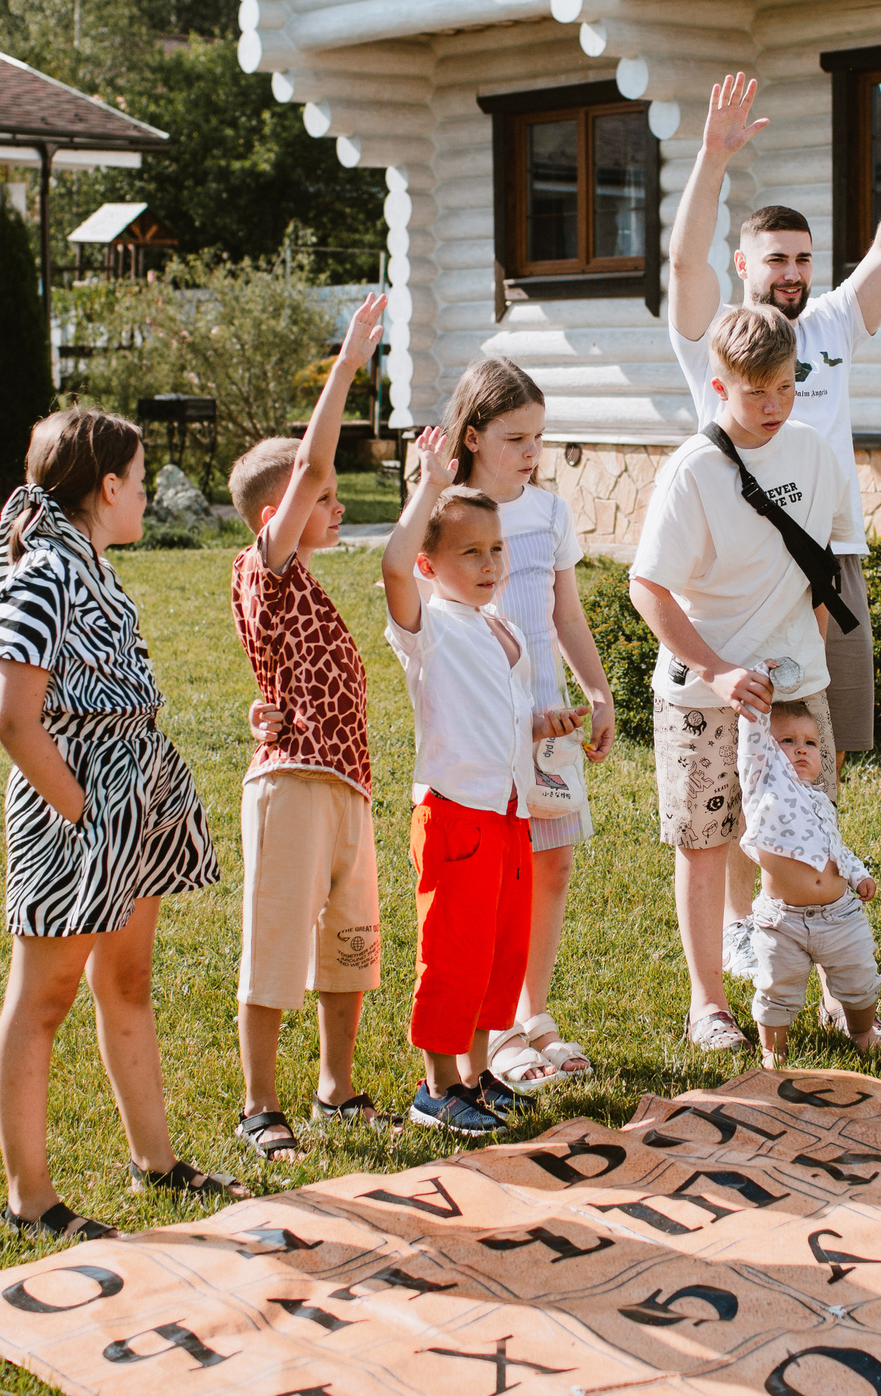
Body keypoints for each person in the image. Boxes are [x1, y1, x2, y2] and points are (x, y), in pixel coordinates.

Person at [0, 407, 242, 1240]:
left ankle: (156, 1161)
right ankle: (31, 1200)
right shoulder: (47, 572)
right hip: (77, 810)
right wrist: (85, 814)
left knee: (127, 983)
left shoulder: (87, 562)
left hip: (129, 799)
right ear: (107, 486)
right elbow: (14, 719)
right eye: (140, 476)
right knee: (43, 999)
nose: (145, 492)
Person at [663, 71, 881, 780]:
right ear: (743, 265)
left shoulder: (829, 325)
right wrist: (712, 156)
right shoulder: (712, 335)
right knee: (732, 739)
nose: (791, 274)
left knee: (823, 739)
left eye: (802, 259)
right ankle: (745, 886)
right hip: (736, 562)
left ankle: (803, 864)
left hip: (831, 553)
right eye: (776, 260)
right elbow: (681, 258)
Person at [630, 305, 853, 1052]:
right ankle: (709, 1005)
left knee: (808, 836)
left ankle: (832, 984)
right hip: (702, 696)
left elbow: (818, 573)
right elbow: (648, 589)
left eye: (786, 389)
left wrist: (806, 673)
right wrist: (719, 670)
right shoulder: (692, 471)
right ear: (720, 384)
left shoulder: (817, 454)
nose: (772, 408)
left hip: (793, 690)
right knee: (704, 843)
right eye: (757, 392)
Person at [226, 291, 392, 1162]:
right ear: (277, 516)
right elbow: (311, 461)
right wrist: (348, 364)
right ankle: (260, 1104)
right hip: (291, 782)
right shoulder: (268, 570)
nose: (334, 507)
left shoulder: (313, 587)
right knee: (277, 944)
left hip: (347, 789)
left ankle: (336, 1088)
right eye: (322, 498)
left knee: (348, 949)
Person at [383, 429, 579, 1136]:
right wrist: (428, 489)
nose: (490, 562)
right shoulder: (427, 625)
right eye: (471, 552)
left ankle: (474, 1074)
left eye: (496, 549)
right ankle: (436, 1087)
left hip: (508, 814)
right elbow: (392, 566)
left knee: (498, 954)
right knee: (454, 953)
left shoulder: (504, 629)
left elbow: (510, 713)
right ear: (433, 563)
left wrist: (543, 722)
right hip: (455, 814)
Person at [431, 358, 618, 1093]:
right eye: (516, 437)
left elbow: (565, 614)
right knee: (497, 885)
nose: (532, 452)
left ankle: (531, 1010)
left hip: (551, 722)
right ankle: (497, 1026)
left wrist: (596, 690)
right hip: (487, 728)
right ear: (472, 435)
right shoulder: (449, 516)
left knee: (554, 864)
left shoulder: (549, 512)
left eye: (539, 436)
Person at [737, 703, 881, 1071]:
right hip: (782, 922)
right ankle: (774, 1052)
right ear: (767, 751)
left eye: (811, 743)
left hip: (840, 915)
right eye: (788, 740)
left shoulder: (820, 800)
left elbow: (835, 847)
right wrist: (757, 695)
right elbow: (752, 737)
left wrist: (857, 874)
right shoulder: (763, 787)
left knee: (861, 980)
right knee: (776, 989)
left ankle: (861, 1032)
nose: (802, 749)